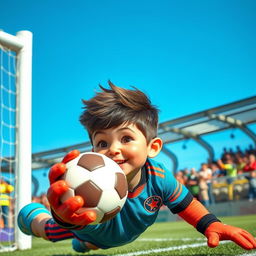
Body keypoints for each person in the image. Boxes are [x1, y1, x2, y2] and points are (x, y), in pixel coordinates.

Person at [17, 81, 256, 252]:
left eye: (126, 138)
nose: (113, 149)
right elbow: (69, 213)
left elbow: (186, 204)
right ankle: (32, 215)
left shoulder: (158, 176)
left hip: (110, 235)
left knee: (87, 245)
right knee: (50, 230)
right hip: (88, 228)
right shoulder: (85, 180)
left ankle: (85, 244)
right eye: (102, 142)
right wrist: (63, 216)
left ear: (153, 147)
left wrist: (212, 224)